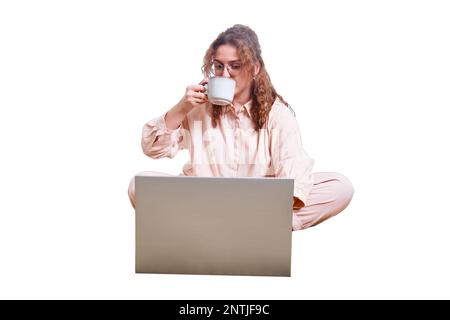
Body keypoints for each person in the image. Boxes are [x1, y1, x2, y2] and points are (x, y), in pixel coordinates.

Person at [128, 24, 354, 230]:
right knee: (139, 185)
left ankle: (240, 224)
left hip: (255, 205)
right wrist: (181, 107)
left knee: (340, 186)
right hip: (203, 200)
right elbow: (152, 149)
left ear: (254, 68)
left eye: (235, 66)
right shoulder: (196, 108)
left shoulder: (277, 114)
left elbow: (293, 169)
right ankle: (252, 227)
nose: (225, 75)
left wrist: (271, 202)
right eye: (218, 66)